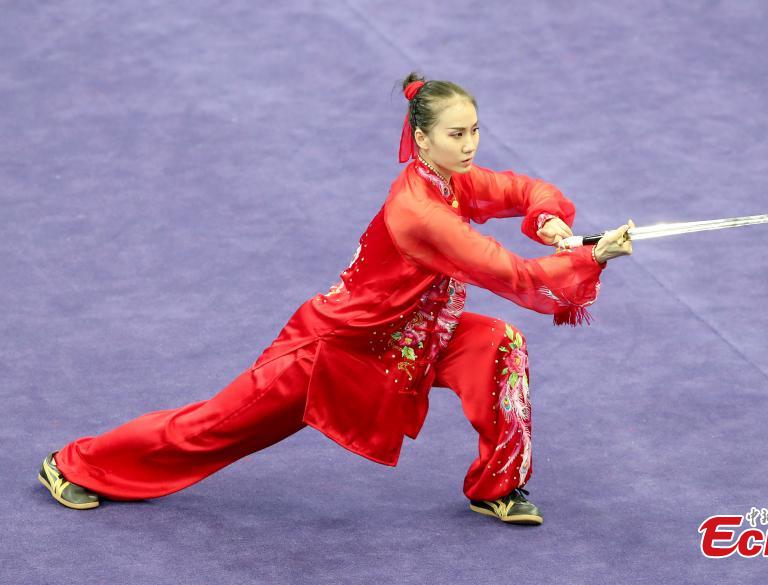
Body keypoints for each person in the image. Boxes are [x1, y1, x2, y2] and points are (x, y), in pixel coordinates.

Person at [38, 72, 634, 526]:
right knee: (214, 427)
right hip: (333, 351)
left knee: (498, 345)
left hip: (411, 337)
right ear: (421, 138)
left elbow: (523, 188)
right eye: (457, 134)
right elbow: (506, 271)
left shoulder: (451, 181)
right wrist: (591, 257)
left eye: (475, 130)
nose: (470, 144)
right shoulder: (420, 211)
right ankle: (77, 463)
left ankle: (498, 485)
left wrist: (552, 221)